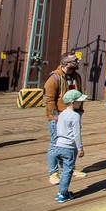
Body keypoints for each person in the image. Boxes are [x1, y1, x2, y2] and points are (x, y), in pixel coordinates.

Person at [44, 53, 83, 185]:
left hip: (73, 114)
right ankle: (53, 173)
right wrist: (56, 117)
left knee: (71, 143)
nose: (78, 62)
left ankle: (70, 168)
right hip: (59, 117)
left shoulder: (76, 77)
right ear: (65, 63)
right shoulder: (54, 78)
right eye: (75, 60)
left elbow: (79, 94)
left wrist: (80, 111)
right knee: (56, 144)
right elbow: (49, 100)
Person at [52, 89, 86, 203]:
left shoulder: (62, 114)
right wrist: (80, 148)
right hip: (69, 147)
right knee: (68, 170)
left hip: (58, 146)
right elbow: (77, 133)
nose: (81, 103)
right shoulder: (75, 116)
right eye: (79, 101)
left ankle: (62, 191)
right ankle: (62, 193)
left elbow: (57, 130)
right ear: (72, 102)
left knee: (64, 169)